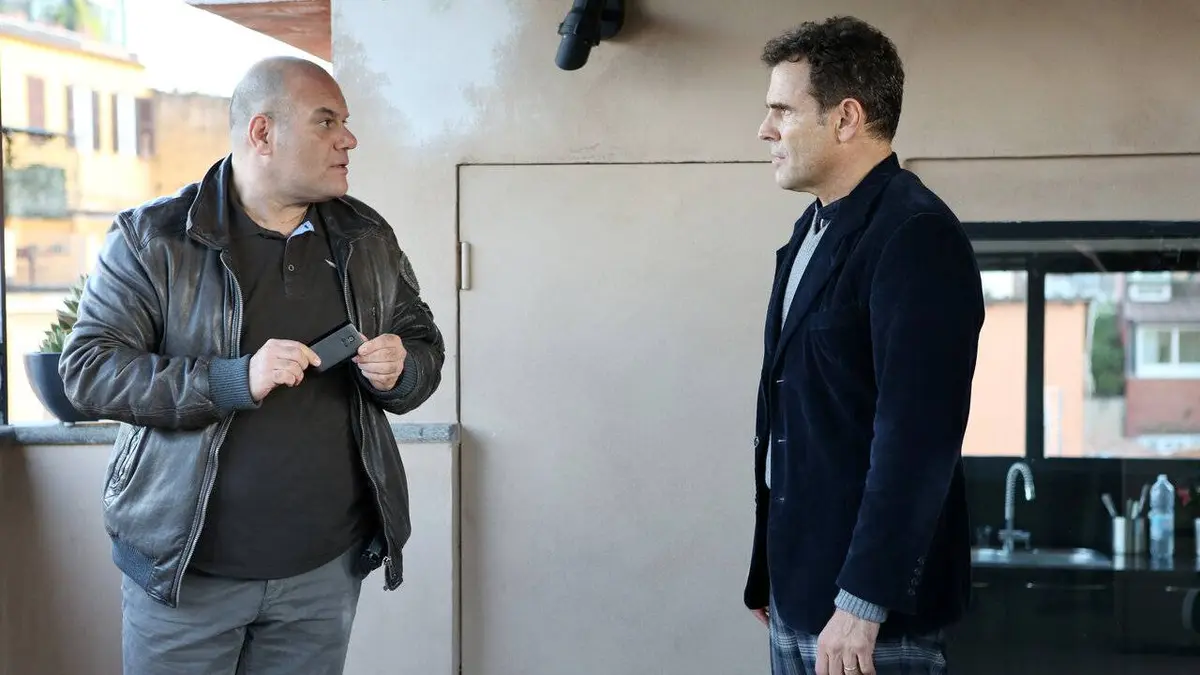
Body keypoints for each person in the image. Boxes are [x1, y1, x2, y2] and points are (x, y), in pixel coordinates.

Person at [59, 56, 445, 675]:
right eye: (326, 121)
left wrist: (403, 370)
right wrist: (232, 379)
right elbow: (88, 371)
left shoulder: (368, 236)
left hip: (322, 575)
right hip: (186, 576)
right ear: (262, 133)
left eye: (345, 122)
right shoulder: (152, 238)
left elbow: (424, 345)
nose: (349, 139)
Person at [745, 16, 984, 675]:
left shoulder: (915, 235)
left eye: (782, 111)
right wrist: (769, 566)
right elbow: (793, 417)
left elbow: (919, 437)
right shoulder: (811, 229)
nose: (765, 129)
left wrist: (862, 602)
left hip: (867, 618)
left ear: (846, 118)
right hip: (798, 592)